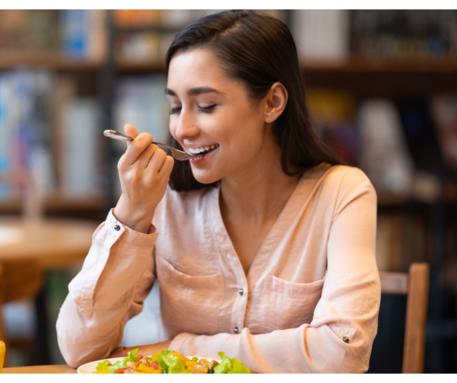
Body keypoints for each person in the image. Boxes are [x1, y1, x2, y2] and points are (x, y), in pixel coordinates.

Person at [56, 10, 380, 373]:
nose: (182, 129)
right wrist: (130, 214)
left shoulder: (342, 194)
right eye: (175, 107)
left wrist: (179, 349)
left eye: (206, 106)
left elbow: (343, 352)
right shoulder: (163, 202)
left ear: (272, 102)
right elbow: (79, 348)